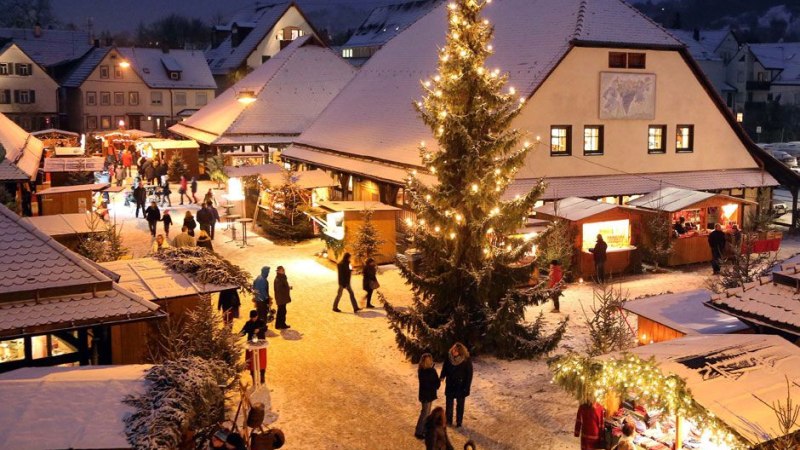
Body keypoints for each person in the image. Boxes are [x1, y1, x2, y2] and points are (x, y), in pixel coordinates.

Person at [440, 342, 473, 428]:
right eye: (453, 349)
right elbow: (445, 368)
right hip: (450, 384)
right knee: (449, 404)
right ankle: (448, 420)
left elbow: (469, 375)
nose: (453, 351)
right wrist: (442, 376)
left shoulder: (466, 360)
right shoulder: (448, 357)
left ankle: (459, 421)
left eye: (456, 350)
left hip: (461, 386)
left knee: (460, 405)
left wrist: (467, 387)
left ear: (460, 352)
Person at [415, 353, 441, 439]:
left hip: (427, 395)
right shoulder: (426, 372)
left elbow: (436, 384)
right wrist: (435, 381)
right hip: (427, 396)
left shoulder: (423, 371)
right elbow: (433, 384)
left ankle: (423, 430)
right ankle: (419, 431)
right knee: (425, 413)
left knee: (427, 413)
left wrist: (436, 382)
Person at [240, 310, 267, 384]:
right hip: (251, 345)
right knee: (252, 362)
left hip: (261, 344)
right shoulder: (248, 323)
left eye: (254, 317)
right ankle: (253, 378)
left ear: (257, 316)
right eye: (252, 318)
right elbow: (243, 331)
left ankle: (262, 376)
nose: (253, 319)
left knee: (261, 361)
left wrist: (259, 329)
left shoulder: (261, 322)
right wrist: (238, 335)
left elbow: (265, 328)